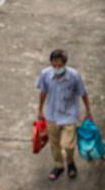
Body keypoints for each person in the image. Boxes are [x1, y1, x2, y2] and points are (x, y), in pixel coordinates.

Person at [36, 49, 92, 181]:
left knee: (67, 145)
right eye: (54, 65)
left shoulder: (74, 76)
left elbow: (83, 93)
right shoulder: (45, 74)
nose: (56, 68)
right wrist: (40, 110)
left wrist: (88, 111)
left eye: (59, 65)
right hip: (52, 115)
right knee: (54, 144)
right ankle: (59, 166)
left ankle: (71, 162)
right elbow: (43, 92)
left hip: (69, 115)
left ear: (65, 64)